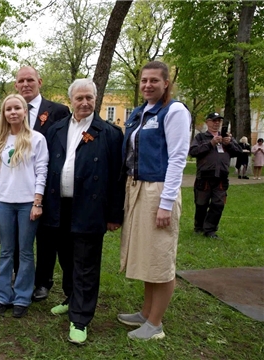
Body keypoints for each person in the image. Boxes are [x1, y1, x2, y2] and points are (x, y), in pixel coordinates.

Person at [42, 79, 124, 344]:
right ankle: (71, 297)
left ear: (96, 99)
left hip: (90, 207)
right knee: (65, 257)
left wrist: (114, 214)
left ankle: (80, 318)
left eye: (89, 97)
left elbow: (116, 177)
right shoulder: (56, 129)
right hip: (59, 205)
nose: (84, 102)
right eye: (79, 98)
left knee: (86, 263)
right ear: (71, 101)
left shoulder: (109, 133)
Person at [118, 61, 191, 340]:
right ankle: (146, 312)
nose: (148, 85)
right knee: (147, 254)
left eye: (154, 81)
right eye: (144, 81)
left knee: (160, 256)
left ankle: (156, 324)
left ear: (166, 83)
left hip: (159, 189)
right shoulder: (141, 113)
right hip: (137, 187)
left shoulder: (174, 111)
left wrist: (166, 202)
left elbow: (177, 159)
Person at [0, 94, 48, 318]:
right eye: (8, 109)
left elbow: (42, 172)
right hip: (4, 202)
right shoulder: (0, 140)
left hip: (27, 204)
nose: (12, 112)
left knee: (25, 252)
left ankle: (22, 296)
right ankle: (3, 295)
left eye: (17, 108)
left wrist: (37, 202)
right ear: (4, 114)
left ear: (25, 111)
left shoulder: (37, 139)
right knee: (6, 252)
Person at [14, 65, 70, 302]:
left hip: (48, 185)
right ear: (16, 85)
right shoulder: (12, 110)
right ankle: (20, 276)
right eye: (21, 81)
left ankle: (43, 281)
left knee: (47, 236)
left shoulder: (58, 111)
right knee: (18, 235)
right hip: (18, 184)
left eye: (30, 80)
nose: (26, 84)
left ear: (40, 81)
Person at [189, 113, 242, 239]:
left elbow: (239, 152)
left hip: (221, 178)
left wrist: (229, 144)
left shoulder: (226, 138)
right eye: (213, 121)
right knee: (201, 204)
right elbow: (193, 152)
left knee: (218, 205)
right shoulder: (201, 137)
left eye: (218, 121)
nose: (216, 123)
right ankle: (199, 226)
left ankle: (210, 230)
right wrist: (211, 143)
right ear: (207, 122)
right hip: (204, 176)